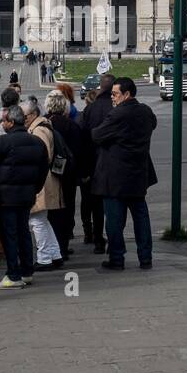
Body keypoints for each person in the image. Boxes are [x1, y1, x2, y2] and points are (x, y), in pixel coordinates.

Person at [90, 77, 158, 270]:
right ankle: (146, 258)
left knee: (114, 221)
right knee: (141, 219)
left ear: (126, 94)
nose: (112, 97)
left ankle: (117, 258)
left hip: (115, 178)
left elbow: (96, 135)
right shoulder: (145, 111)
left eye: (115, 94)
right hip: (138, 175)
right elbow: (153, 124)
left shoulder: (118, 114)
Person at [0, 105, 49, 290]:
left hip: (7, 196)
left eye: (4, 121)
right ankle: (27, 271)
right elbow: (43, 169)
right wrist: (34, 189)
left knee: (10, 234)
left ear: (10, 122)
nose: (3, 123)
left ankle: (13, 274)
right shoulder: (37, 142)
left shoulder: (4, 142)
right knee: (24, 231)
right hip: (27, 195)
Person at [22, 96, 65, 270]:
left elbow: (43, 156)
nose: (23, 120)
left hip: (41, 181)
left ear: (32, 114)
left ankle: (44, 258)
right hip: (45, 180)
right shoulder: (42, 126)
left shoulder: (39, 130)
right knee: (41, 220)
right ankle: (55, 254)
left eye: (24, 116)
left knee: (36, 221)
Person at [44, 89, 85, 261]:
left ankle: (54, 247)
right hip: (68, 173)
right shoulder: (72, 125)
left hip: (50, 174)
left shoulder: (45, 124)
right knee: (68, 209)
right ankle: (64, 245)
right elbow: (78, 152)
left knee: (52, 211)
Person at [79, 73, 116, 253]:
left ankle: (97, 240)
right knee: (113, 206)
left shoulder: (90, 110)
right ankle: (114, 240)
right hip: (113, 164)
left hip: (93, 164)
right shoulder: (116, 107)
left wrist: (84, 169)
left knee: (95, 205)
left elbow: (84, 140)